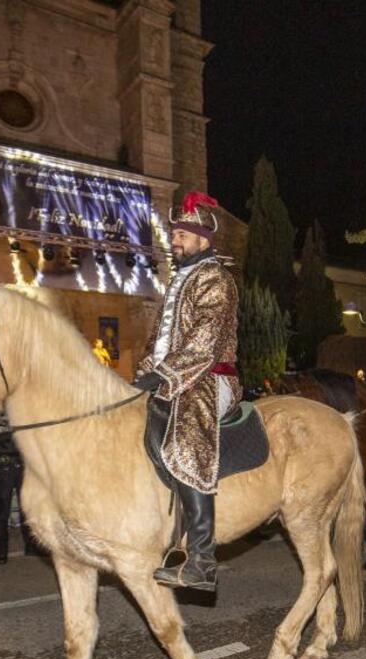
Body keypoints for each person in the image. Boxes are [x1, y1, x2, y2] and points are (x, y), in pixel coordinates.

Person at [132, 191, 237, 592]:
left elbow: (205, 340)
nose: (174, 240)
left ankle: (203, 559)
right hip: (176, 374)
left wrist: (166, 376)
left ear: (203, 240)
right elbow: (158, 342)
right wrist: (143, 374)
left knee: (188, 431)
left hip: (210, 378)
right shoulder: (178, 281)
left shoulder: (216, 279)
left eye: (181, 234)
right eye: (173, 234)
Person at [0, 424, 39, 564]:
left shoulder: (12, 412)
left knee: (26, 510)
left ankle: (31, 546)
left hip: (20, 465)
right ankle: (2, 552)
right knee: (2, 512)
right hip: (0, 469)